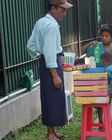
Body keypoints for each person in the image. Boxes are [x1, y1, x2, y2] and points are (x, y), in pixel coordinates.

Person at [26, 0, 73, 140]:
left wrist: (38, 55)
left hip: (45, 63)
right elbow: (49, 51)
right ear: (53, 8)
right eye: (62, 10)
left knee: (48, 97)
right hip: (52, 65)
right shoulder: (52, 26)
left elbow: (30, 45)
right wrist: (55, 75)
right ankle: (51, 135)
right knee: (53, 98)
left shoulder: (40, 22)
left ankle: (51, 132)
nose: (65, 13)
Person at [82, 24, 112, 127]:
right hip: (98, 79)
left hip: (110, 79)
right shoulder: (96, 47)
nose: (103, 38)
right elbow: (82, 51)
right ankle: (100, 122)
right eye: (102, 36)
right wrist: (90, 44)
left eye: (106, 36)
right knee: (99, 101)